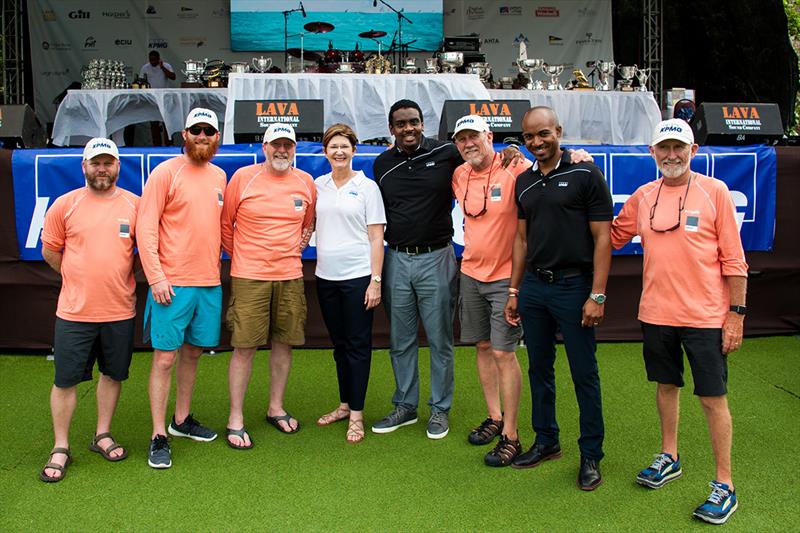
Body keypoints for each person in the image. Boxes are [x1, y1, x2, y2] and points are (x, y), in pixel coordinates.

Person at [611, 119, 748, 525]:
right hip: (655, 313)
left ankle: (725, 483)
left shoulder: (715, 192)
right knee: (665, 386)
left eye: (679, 147)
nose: (671, 155)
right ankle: (669, 455)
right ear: (652, 153)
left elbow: (735, 260)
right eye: (663, 148)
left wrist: (735, 316)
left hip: (705, 317)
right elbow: (611, 236)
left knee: (711, 398)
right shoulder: (642, 195)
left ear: (693, 151)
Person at [504, 106, 612, 491]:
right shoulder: (524, 182)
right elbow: (520, 240)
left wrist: (596, 295)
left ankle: (591, 455)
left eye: (544, 134)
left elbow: (603, 238)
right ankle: (546, 441)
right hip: (534, 288)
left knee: (584, 373)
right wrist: (515, 291)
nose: (537, 143)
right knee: (539, 370)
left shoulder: (586, 173)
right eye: (530, 137)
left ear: (559, 132)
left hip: (575, 287)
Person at [39, 138, 138, 482]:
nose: (102, 168)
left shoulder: (134, 205)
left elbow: (145, 253)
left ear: (117, 167)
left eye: (108, 162)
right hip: (74, 312)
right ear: (84, 166)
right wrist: (75, 275)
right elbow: (51, 251)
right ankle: (61, 446)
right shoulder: (64, 206)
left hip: (119, 311)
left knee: (113, 375)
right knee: (65, 380)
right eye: (95, 162)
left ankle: (102, 434)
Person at [137, 108, 227, 469]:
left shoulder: (220, 175)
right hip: (171, 284)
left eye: (209, 131)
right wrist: (157, 277)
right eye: (196, 130)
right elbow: (145, 229)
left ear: (217, 138)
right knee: (164, 359)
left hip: (209, 283)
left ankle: (181, 420)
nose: (202, 136)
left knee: (192, 354)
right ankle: (158, 434)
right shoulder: (164, 173)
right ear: (184, 134)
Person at [221, 122, 316, 449]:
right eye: (275, 145)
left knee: (284, 344)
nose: (282, 150)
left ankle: (275, 407)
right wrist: (247, 257)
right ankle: (236, 418)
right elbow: (226, 225)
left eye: (287, 145)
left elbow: (307, 225)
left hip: (289, 276)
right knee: (244, 347)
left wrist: (288, 254)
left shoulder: (305, 183)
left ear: (294, 148)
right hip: (249, 276)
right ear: (264, 147)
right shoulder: (243, 179)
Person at [451, 115, 529, 465]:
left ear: (490, 136)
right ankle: (495, 418)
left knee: (503, 353)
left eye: (474, 137)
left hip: (506, 278)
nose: (469, 144)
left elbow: (553, 162)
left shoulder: (515, 167)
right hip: (470, 273)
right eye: (461, 139)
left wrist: (578, 156)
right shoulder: (459, 174)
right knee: (482, 346)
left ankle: (512, 435)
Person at [313, 123, 386, 444]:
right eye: (333, 146)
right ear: (326, 152)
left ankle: (356, 414)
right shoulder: (317, 185)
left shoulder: (367, 187)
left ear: (354, 151)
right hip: (325, 279)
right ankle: (344, 404)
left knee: (357, 348)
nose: (339, 152)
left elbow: (376, 237)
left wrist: (375, 281)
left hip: (358, 278)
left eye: (344, 146)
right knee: (340, 347)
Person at [139, 50, 176, 146]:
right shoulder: (145, 68)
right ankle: (157, 145)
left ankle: (169, 145)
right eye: (151, 60)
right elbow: (141, 81)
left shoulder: (166, 66)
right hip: (152, 99)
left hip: (165, 98)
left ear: (159, 59)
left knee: (167, 124)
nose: (153, 62)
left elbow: (173, 77)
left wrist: (162, 67)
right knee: (154, 123)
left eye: (155, 60)